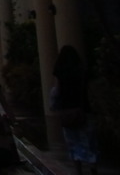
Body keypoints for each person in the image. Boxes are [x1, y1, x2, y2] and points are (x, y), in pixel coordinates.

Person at [51, 45, 98, 175]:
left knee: (73, 141)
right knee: (88, 140)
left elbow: (56, 90)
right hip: (83, 109)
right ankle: (93, 165)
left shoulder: (59, 71)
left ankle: (78, 169)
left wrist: (54, 105)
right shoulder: (82, 71)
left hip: (66, 110)